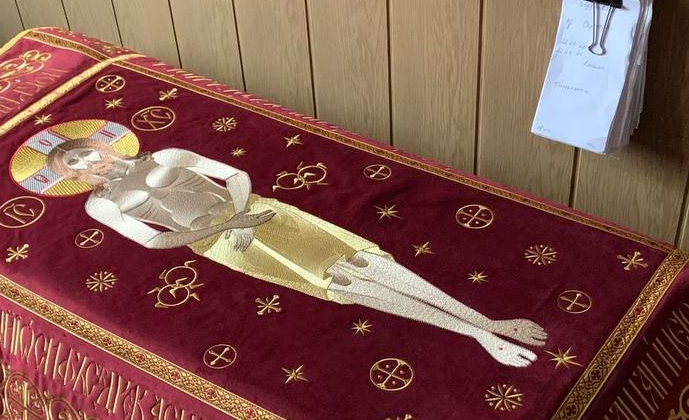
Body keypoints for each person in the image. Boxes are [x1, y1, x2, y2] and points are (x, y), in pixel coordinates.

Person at [47, 139, 546, 367]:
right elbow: (152, 240)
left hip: (257, 210)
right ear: (73, 175)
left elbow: (234, 174)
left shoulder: (166, 154)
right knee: (340, 283)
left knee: (363, 260)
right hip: (220, 242)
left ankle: (487, 320)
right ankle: (478, 335)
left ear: (100, 145)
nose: (88, 162)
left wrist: (240, 212)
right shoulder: (99, 205)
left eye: (86, 151)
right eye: (75, 164)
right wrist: (229, 227)